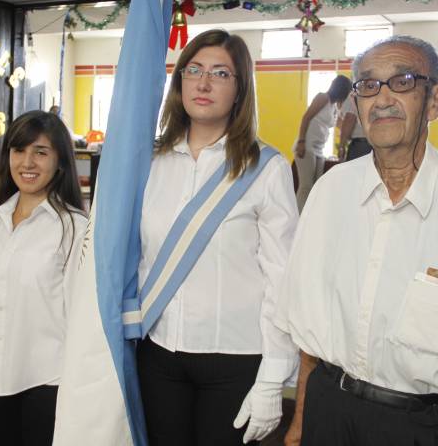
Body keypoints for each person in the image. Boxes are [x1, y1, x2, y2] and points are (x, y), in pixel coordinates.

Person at [275, 35, 438, 446]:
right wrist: (300, 423)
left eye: (403, 82)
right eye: (368, 85)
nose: (382, 99)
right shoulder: (332, 189)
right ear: (357, 103)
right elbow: (311, 324)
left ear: (435, 101)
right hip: (332, 410)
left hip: (434, 424)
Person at [136, 29, 299, 446]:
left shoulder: (266, 168)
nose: (204, 83)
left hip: (234, 359)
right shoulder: (150, 162)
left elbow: (282, 281)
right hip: (157, 353)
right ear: (180, 83)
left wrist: (273, 379)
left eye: (221, 73)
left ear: (240, 89)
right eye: (194, 70)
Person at [0, 111, 88, 445]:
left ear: (60, 161)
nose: (27, 162)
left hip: (50, 385)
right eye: (19, 150)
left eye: (40, 152)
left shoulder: (75, 229)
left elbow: (82, 322)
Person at [293, 75, 351, 212]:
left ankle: (310, 215)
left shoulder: (334, 106)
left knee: (316, 186)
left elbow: (341, 125)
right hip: (306, 145)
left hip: (319, 149)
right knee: (306, 186)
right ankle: (298, 218)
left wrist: (346, 141)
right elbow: (306, 118)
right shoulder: (323, 98)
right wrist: (301, 141)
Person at [338, 95, 372, 161]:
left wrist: (341, 146)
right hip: (381, 145)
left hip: (361, 146)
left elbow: (349, 119)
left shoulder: (354, 95)